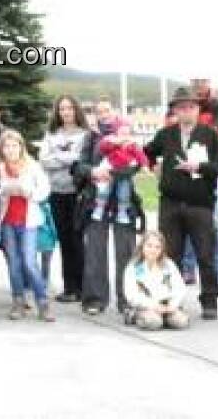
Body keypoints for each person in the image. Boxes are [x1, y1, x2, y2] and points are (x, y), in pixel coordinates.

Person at [144, 86, 218, 320]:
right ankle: (173, 298)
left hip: (200, 203)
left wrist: (200, 167)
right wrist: (154, 166)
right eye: (181, 108)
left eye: (191, 107)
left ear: (198, 109)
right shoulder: (166, 134)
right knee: (171, 255)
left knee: (205, 253)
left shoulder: (211, 135)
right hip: (170, 202)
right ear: (175, 111)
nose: (186, 111)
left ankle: (209, 299)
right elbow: (146, 152)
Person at [78, 123, 145, 318]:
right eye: (99, 111)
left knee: (127, 252)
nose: (103, 114)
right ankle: (94, 299)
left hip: (124, 204)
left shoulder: (131, 143)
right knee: (95, 252)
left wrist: (117, 172)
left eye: (107, 110)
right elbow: (79, 165)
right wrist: (92, 172)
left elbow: (138, 164)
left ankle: (128, 299)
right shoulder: (92, 139)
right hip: (97, 202)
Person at [39, 95, 96, 304]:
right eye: (62, 109)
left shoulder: (85, 135)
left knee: (78, 239)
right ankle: (69, 288)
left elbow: (81, 162)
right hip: (56, 193)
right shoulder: (51, 134)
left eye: (70, 108)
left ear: (76, 110)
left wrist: (61, 158)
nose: (66, 112)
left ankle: (83, 287)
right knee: (63, 240)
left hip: (77, 193)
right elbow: (44, 160)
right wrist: (68, 159)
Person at [177, 77, 218, 290]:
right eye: (195, 80)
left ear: (210, 82)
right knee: (187, 217)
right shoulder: (178, 104)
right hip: (184, 169)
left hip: (210, 169)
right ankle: (188, 268)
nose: (199, 84)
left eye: (203, 80)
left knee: (216, 222)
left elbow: (216, 135)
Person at [0, 130, 54, 322]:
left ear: (21, 147)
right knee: (14, 263)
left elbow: (44, 190)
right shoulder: (0, 168)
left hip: (28, 221)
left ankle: (42, 302)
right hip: (7, 221)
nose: (11, 150)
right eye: (7, 146)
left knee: (29, 262)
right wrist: (4, 190)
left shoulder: (32, 166)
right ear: (2, 149)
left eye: (14, 146)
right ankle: (18, 301)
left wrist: (28, 192)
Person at [123, 231, 190, 331]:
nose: (153, 250)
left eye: (157, 247)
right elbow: (131, 294)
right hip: (145, 305)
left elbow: (180, 288)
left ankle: (165, 318)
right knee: (153, 322)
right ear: (142, 247)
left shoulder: (169, 264)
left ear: (162, 249)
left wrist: (173, 304)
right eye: (149, 246)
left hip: (167, 304)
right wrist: (153, 305)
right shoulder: (134, 267)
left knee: (181, 322)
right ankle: (137, 316)